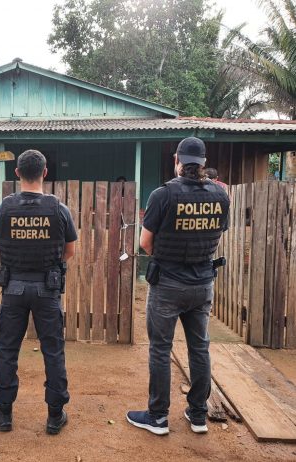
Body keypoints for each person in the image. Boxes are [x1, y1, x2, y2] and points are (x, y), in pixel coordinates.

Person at [127, 137, 229, 436]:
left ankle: (158, 417)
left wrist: (168, 254)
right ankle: (198, 415)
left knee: (161, 349)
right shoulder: (220, 195)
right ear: (203, 162)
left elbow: (145, 243)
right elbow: (215, 234)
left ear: (177, 161)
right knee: (200, 347)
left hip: (168, 284)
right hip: (203, 283)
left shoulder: (163, 194)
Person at [0, 149, 77, 435]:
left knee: (7, 349)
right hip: (47, 290)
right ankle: (54, 416)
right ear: (45, 172)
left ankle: (4, 414)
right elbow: (69, 251)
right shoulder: (59, 209)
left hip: (13, 288)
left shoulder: (3, 208)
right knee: (53, 351)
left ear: (17, 173)